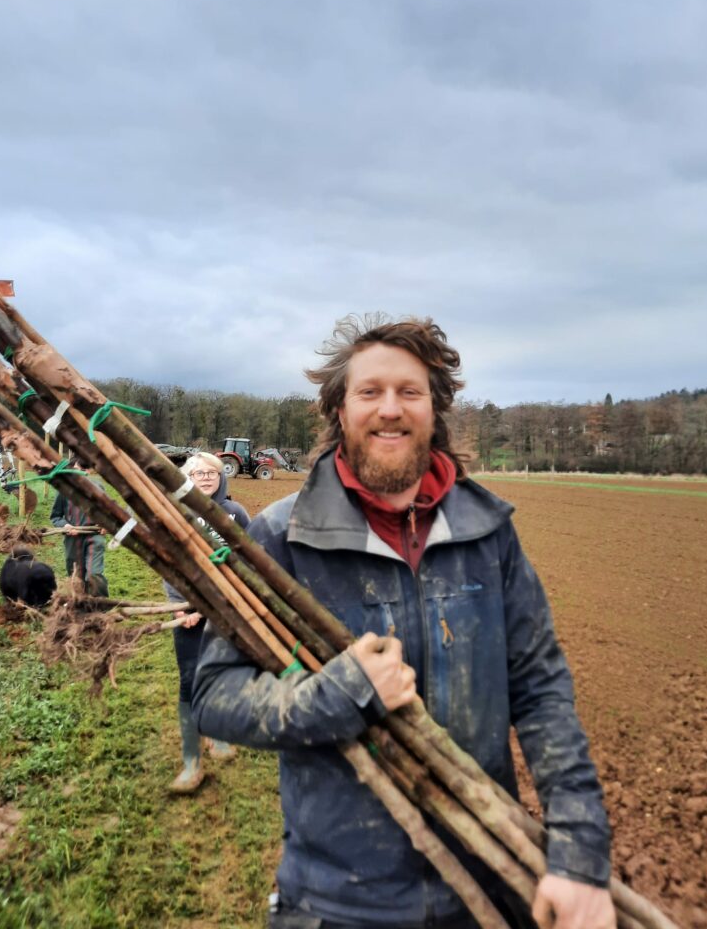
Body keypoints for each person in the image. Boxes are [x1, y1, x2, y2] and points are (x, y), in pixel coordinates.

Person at [192, 316, 616, 929]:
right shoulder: (281, 538)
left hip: (491, 878)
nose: (389, 409)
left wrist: (578, 854)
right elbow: (215, 694)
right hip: (339, 899)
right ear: (339, 409)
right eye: (369, 392)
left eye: (409, 392)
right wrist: (344, 693)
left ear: (434, 409)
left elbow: (542, 690)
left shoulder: (487, 532)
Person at [166, 451, 250, 793]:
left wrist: (219, 603)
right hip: (186, 610)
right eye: (197, 473)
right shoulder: (175, 512)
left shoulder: (234, 513)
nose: (204, 478)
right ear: (187, 477)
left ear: (221, 477)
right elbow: (168, 561)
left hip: (225, 609)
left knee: (220, 673)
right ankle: (191, 761)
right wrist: (178, 606)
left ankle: (217, 735)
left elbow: (249, 562)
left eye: (210, 473)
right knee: (190, 679)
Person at [50, 464, 109, 597]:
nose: (82, 473)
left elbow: (108, 513)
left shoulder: (98, 488)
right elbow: (56, 516)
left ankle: (101, 608)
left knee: (94, 574)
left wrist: (106, 524)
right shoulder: (63, 491)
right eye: (78, 470)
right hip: (72, 539)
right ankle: (79, 605)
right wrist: (65, 526)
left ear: (89, 470)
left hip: (94, 536)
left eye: (85, 469)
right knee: (76, 575)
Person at [0, 544, 57, 608]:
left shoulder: (9, 567)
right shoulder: (42, 565)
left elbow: (5, 589)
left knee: (31, 600)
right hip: (45, 572)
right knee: (47, 597)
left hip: (27, 581)